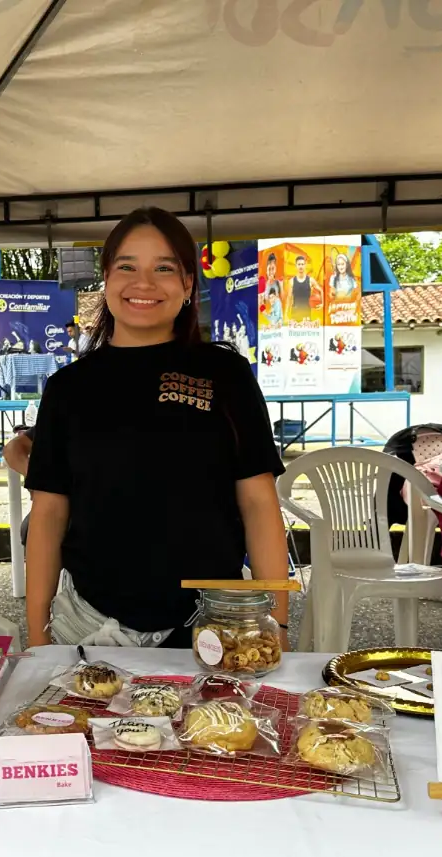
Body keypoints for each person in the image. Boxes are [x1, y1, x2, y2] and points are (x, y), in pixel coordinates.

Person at [25, 207, 289, 648]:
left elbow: (259, 504)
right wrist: (37, 635)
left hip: (213, 625)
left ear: (187, 284)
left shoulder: (226, 374)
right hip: (90, 626)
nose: (143, 283)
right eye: (127, 266)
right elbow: (49, 514)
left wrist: (275, 626)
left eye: (163, 268)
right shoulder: (68, 388)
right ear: (106, 278)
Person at [287, 254, 319, 321]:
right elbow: (289, 298)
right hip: (294, 315)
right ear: (296, 265)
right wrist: (286, 314)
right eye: (299, 264)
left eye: (302, 264)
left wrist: (322, 304)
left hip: (306, 315)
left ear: (305, 265)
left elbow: (321, 290)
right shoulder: (291, 281)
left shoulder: (311, 280)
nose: (301, 266)